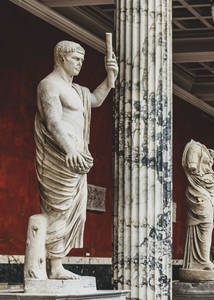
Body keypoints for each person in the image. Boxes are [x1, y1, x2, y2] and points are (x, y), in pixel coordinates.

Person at [34, 40, 117, 279]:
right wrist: (70, 149)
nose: (80, 64)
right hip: (60, 158)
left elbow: (95, 100)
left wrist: (110, 79)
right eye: (76, 59)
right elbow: (53, 121)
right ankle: (54, 266)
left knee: (76, 212)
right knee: (57, 209)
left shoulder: (77, 90)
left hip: (76, 161)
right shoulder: (49, 85)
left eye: (82, 60)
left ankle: (58, 264)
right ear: (61, 58)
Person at [181, 140, 214, 271]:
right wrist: (206, 177)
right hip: (198, 191)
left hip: (204, 190)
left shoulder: (202, 149)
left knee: (207, 224)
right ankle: (202, 261)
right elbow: (192, 166)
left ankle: (201, 260)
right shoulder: (195, 148)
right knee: (206, 223)